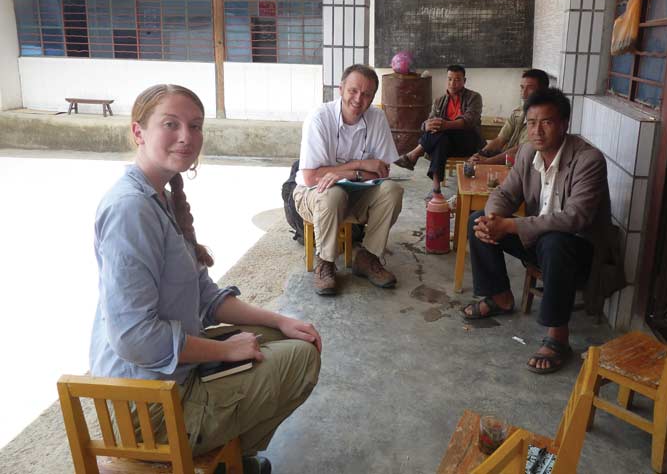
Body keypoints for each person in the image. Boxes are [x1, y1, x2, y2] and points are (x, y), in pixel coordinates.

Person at [89, 84, 322, 474]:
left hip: (165, 378)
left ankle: (230, 454)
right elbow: (133, 337)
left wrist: (279, 319)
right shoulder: (131, 209)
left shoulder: (158, 197)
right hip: (149, 407)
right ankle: (220, 460)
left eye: (195, 126)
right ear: (138, 132)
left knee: (294, 337)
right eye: (171, 124)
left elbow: (206, 298)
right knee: (300, 361)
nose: (186, 137)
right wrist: (225, 351)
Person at [463, 87, 611, 375]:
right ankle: (500, 296)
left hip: (577, 251)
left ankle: (558, 336)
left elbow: (575, 218)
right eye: (532, 123)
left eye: (547, 122)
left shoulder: (588, 160)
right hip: (538, 239)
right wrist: (493, 219)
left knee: (556, 242)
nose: (537, 130)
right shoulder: (528, 152)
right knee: (477, 219)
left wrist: (512, 225)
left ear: (564, 124)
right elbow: (506, 193)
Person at [294, 64, 404, 296]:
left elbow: (383, 172)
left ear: (373, 97)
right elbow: (311, 176)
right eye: (353, 90)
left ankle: (367, 257)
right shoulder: (319, 118)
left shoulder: (377, 118)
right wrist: (360, 166)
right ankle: (325, 262)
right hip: (313, 196)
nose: (358, 99)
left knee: (392, 191)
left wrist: (341, 173)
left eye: (366, 94)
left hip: (358, 194)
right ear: (341, 88)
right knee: (333, 192)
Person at [394, 64, 484, 198]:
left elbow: (469, 121)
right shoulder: (439, 101)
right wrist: (426, 126)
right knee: (440, 139)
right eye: (449, 79)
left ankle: (413, 155)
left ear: (464, 81)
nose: (453, 83)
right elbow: (429, 121)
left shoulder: (474, 97)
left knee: (440, 132)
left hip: (467, 142)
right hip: (447, 143)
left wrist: (445, 125)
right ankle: (436, 190)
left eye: (457, 79)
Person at [470, 68, 549, 165]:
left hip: (523, 166)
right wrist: (480, 154)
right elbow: (500, 139)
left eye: (530, 88)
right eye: (522, 87)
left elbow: (520, 151)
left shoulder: (543, 120)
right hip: (506, 161)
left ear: (543, 91)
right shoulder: (518, 113)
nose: (523, 93)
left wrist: (487, 161)